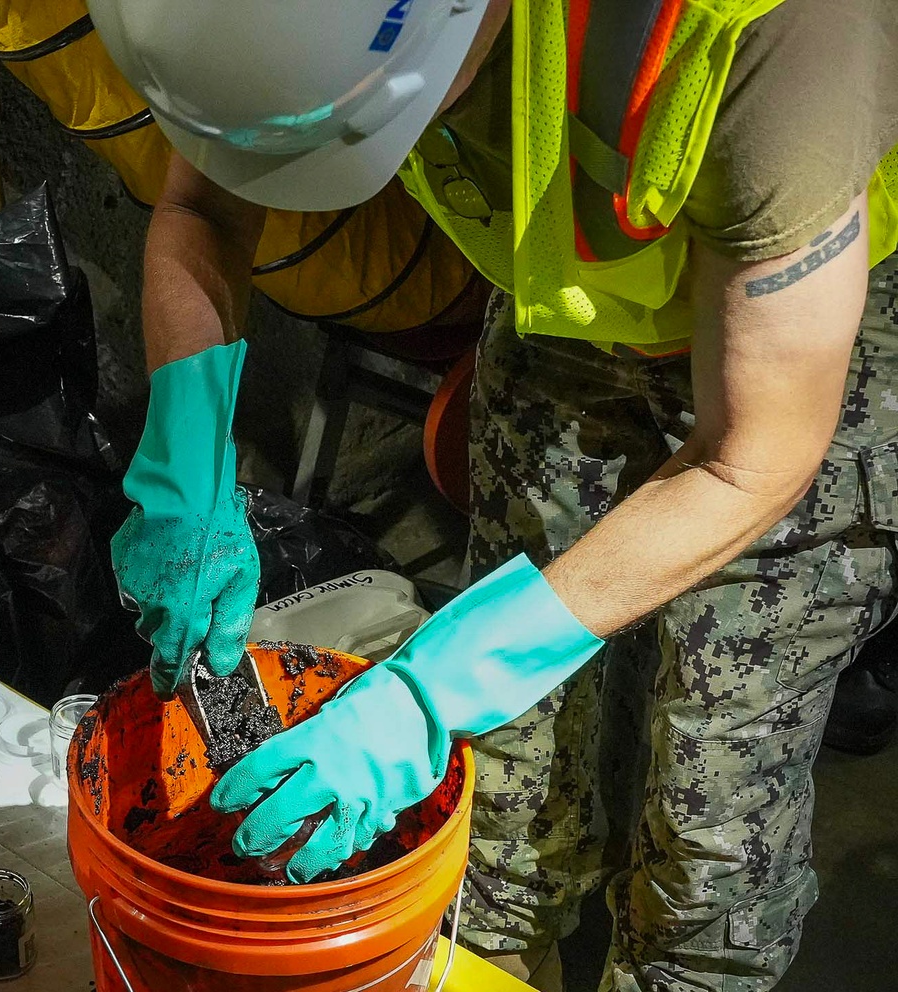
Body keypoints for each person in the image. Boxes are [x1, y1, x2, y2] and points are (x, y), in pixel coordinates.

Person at [90, 1, 898, 988]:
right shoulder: (253, 22)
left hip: (801, 336)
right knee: (505, 795)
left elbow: (753, 457)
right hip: (568, 314)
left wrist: (430, 688)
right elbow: (204, 209)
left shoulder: (763, 30)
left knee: (708, 820)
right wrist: (188, 462)